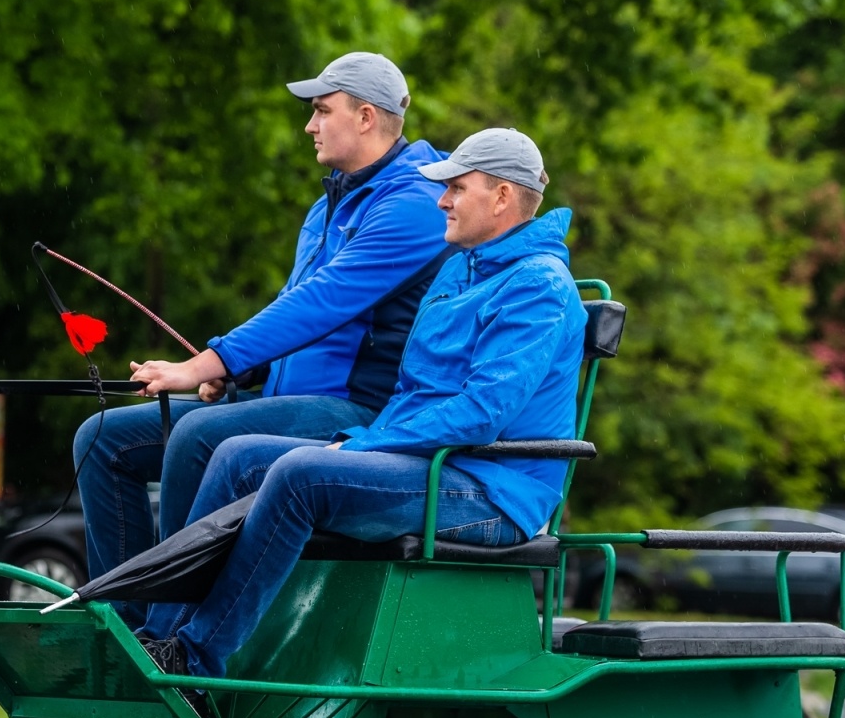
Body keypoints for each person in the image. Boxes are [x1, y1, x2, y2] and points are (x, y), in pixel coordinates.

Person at [137, 128, 584, 680]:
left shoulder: (539, 286)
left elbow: (481, 413)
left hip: (491, 489)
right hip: (432, 463)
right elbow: (409, 383)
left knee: (302, 473)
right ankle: (155, 641)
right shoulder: (457, 269)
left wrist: (368, 442)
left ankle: (196, 659)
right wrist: (254, 368)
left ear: (501, 197)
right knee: (234, 454)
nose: (441, 200)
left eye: (456, 188)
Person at [72, 53, 452, 618]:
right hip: (291, 400)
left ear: (367, 117)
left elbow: (322, 303)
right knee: (102, 439)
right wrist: (245, 371)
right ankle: (120, 616)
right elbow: (292, 305)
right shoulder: (329, 204)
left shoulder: (415, 205)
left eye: (323, 110)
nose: (310, 125)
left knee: (198, 436)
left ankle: (166, 633)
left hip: (357, 412)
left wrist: (207, 362)